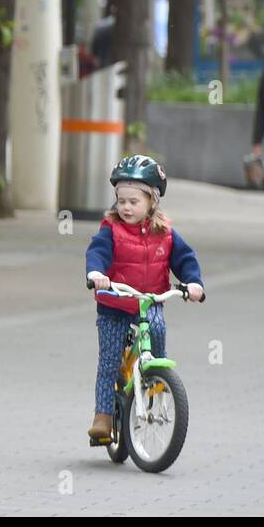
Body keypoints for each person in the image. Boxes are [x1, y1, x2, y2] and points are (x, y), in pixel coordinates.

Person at [84, 155, 205, 441]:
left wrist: (193, 283)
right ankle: (103, 416)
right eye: (121, 200)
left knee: (158, 328)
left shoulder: (165, 233)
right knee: (110, 361)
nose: (125, 207)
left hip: (149, 300)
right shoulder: (110, 230)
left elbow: (185, 259)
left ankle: (156, 376)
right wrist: (96, 274)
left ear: (152, 201)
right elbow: (97, 253)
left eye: (133, 201)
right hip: (115, 303)